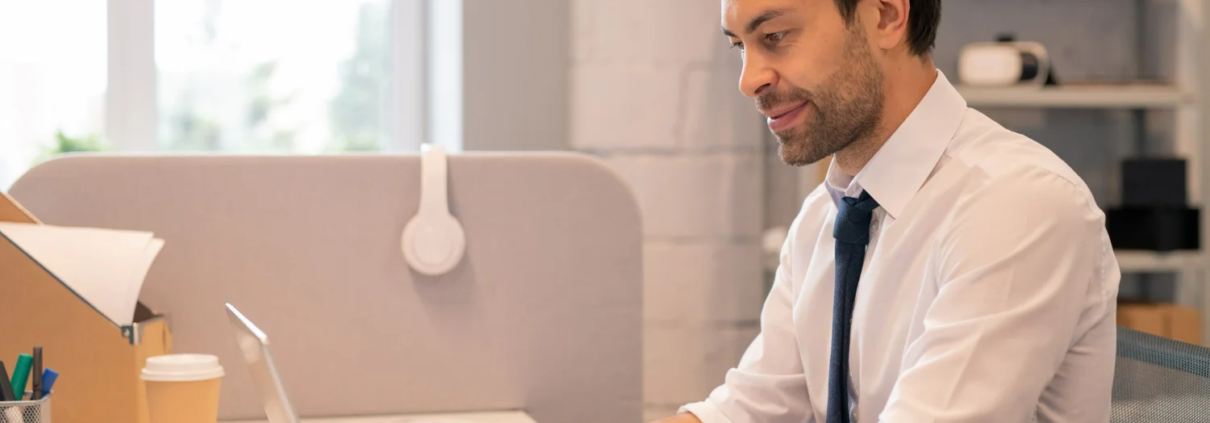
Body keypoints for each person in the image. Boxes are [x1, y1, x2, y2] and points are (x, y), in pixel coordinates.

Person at [655, 0, 1120, 422]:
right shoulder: (826, 215)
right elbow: (752, 408)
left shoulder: (1016, 206)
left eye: (775, 37)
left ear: (886, 15)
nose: (749, 79)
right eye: (741, 46)